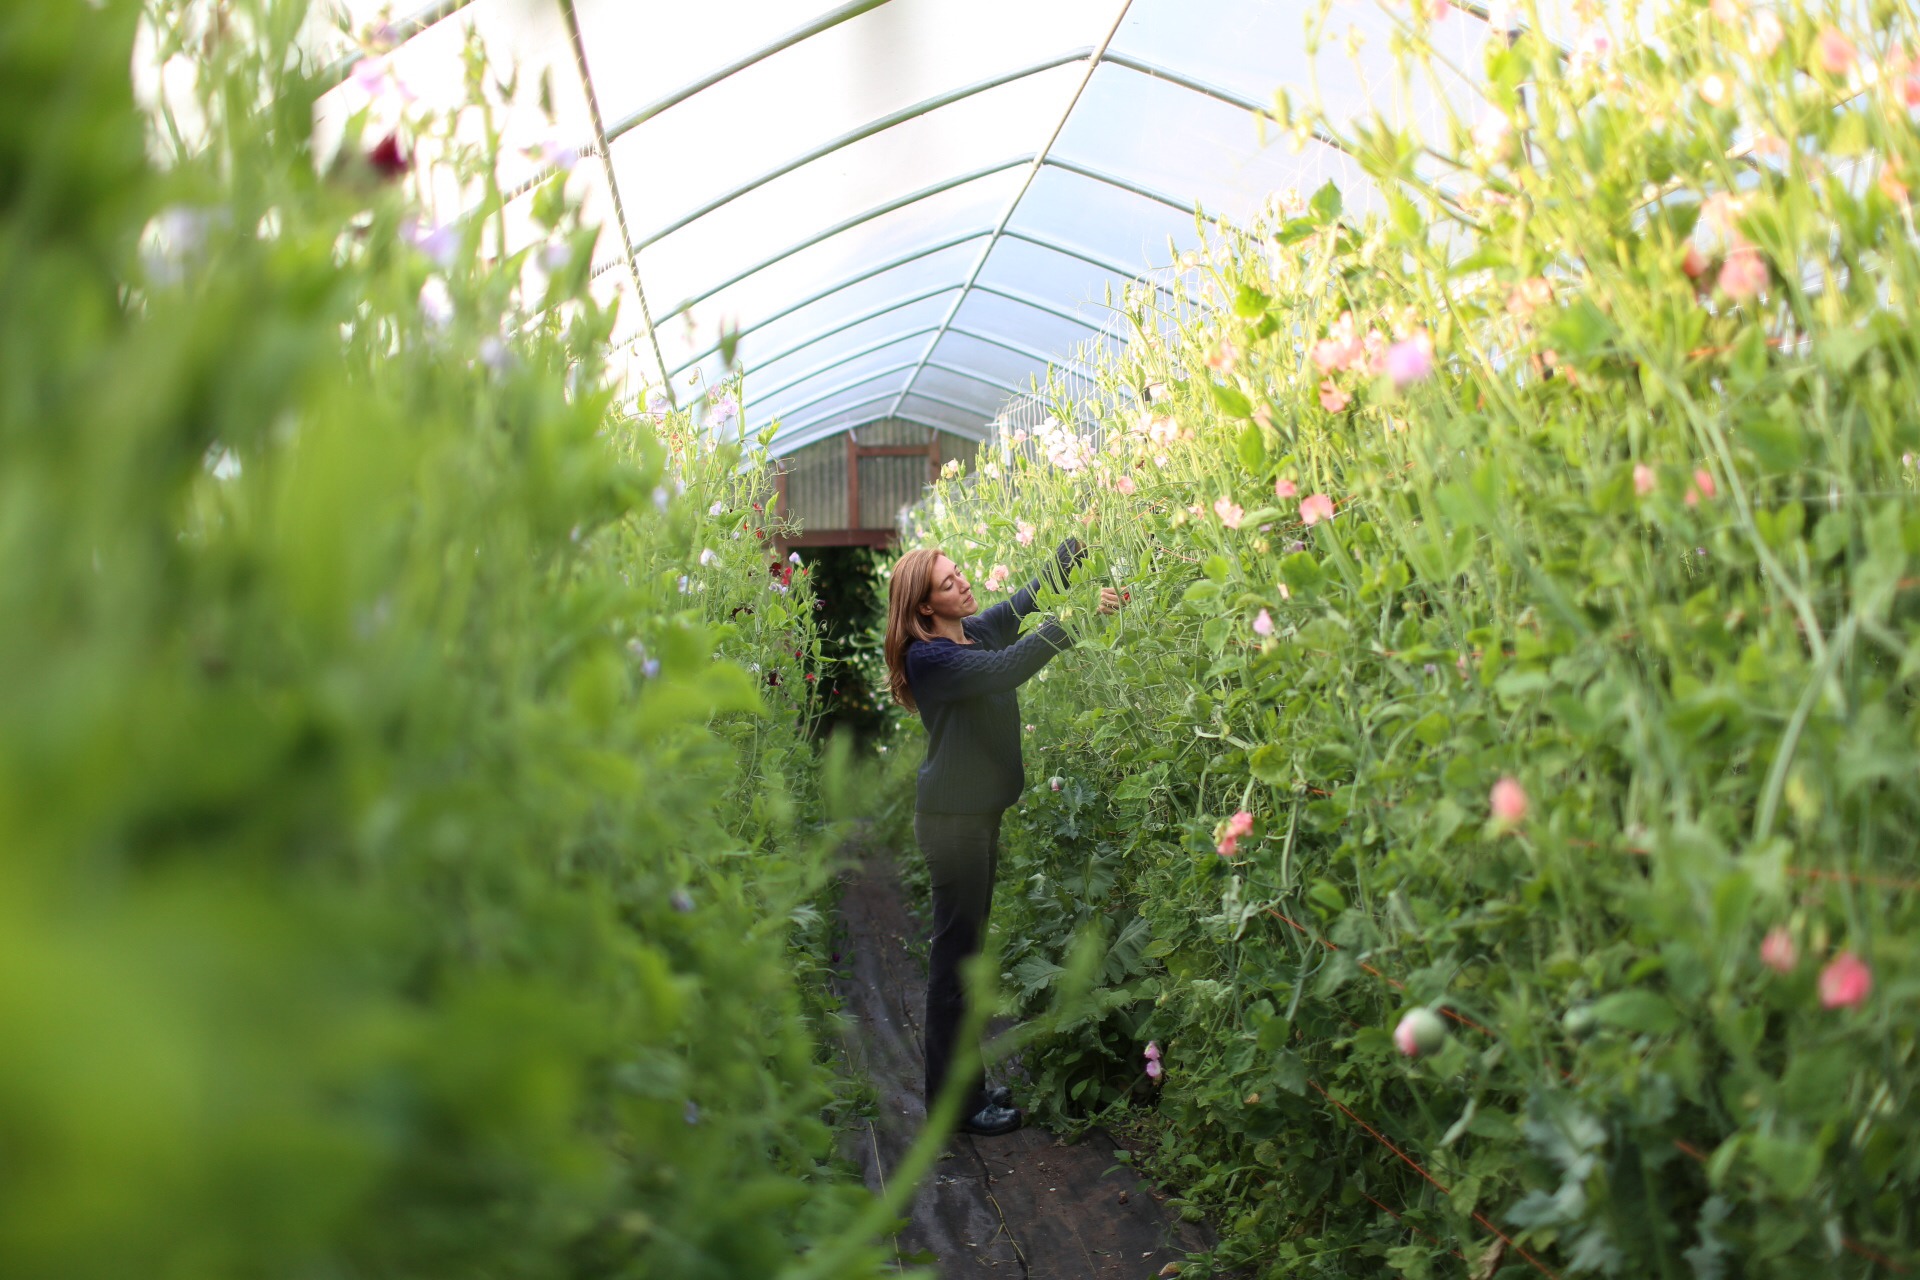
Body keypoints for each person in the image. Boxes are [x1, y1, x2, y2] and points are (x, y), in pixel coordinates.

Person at [882, 538, 1120, 1137]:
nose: (962, 584)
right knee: (955, 965)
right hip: (952, 827)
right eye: (947, 583)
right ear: (923, 609)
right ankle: (953, 1107)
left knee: (966, 957)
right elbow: (1009, 667)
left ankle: (968, 1089)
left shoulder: (970, 631)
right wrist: (1084, 618)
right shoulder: (930, 659)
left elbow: (1023, 601)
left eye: (958, 573)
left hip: (974, 819)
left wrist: (1073, 554)